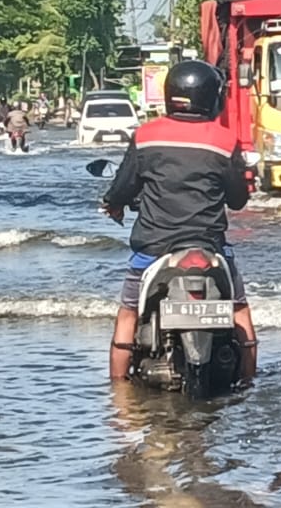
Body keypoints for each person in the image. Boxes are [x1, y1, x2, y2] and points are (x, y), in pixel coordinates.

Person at [102, 60, 257, 383]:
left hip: (154, 247)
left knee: (129, 309)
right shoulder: (224, 140)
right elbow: (238, 199)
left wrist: (113, 204)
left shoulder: (146, 136)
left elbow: (124, 185)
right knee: (239, 308)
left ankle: (118, 395)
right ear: (212, 98)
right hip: (209, 245)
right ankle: (248, 381)